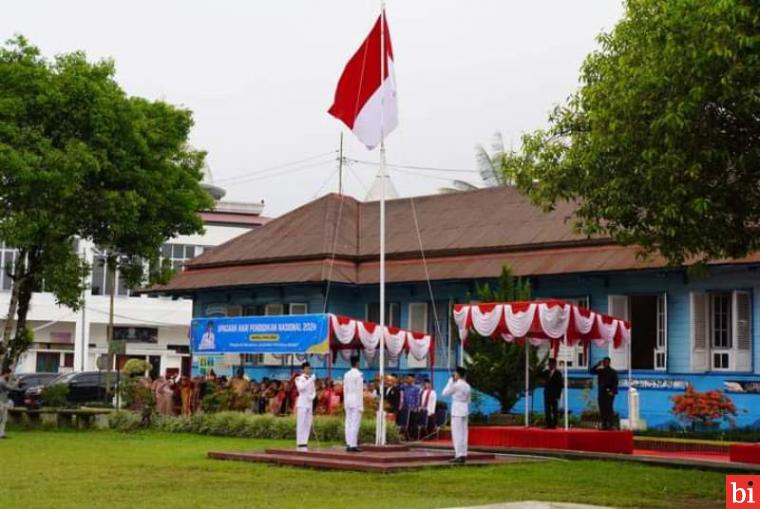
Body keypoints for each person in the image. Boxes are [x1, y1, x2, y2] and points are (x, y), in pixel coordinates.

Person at [442, 367, 471, 464]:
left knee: (457, 434)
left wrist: (450, 381)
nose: (454, 375)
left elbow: (444, 393)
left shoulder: (456, 385)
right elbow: (468, 400)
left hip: (457, 411)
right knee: (464, 433)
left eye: (455, 373)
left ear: (458, 374)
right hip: (465, 410)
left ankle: (458, 455)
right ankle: (463, 454)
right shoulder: (467, 386)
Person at [591, 357, 619, 430]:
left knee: (609, 409)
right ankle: (604, 425)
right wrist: (597, 364)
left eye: (606, 362)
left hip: (609, 392)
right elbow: (591, 371)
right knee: (602, 409)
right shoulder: (601, 371)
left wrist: (613, 392)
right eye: (604, 362)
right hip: (601, 392)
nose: (605, 363)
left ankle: (611, 424)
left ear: (609, 363)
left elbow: (615, 383)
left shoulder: (613, 372)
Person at [342, 356, 364, 452]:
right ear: (357, 363)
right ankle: (353, 445)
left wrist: (345, 403)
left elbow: (345, 389)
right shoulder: (359, 375)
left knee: (348, 423)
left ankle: (348, 443)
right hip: (356, 401)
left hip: (348, 400)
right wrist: (361, 405)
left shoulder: (346, 374)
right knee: (355, 423)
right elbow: (359, 391)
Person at [294, 362, 316, 451]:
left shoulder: (311, 378)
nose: (308, 370)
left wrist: (313, 396)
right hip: (302, 403)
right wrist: (310, 380)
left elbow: (313, 390)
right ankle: (300, 442)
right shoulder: (299, 378)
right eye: (307, 368)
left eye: (309, 368)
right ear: (303, 369)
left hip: (309, 403)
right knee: (301, 423)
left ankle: (304, 441)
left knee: (308, 423)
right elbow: (301, 388)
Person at [542, 358, 564, 429]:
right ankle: (548, 424)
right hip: (547, 393)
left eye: (551, 364)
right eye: (549, 364)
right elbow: (538, 375)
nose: (550, 366)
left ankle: (554, 424)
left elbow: (561, 385)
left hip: (554, 394)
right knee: (547, 409)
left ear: (555, 364)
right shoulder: (546, 372)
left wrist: (558, 395)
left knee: (554, 409)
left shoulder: (558, 373)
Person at [0, 368, 19, 439]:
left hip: (4, 401)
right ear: (6, 373)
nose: (9, 375)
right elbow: (10, 388)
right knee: (1, 418)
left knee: (4, 418)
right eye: (9, 373)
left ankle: (2, 434)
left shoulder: (3, 380)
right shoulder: (2, 381)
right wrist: (17, 382)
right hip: (1, 401)